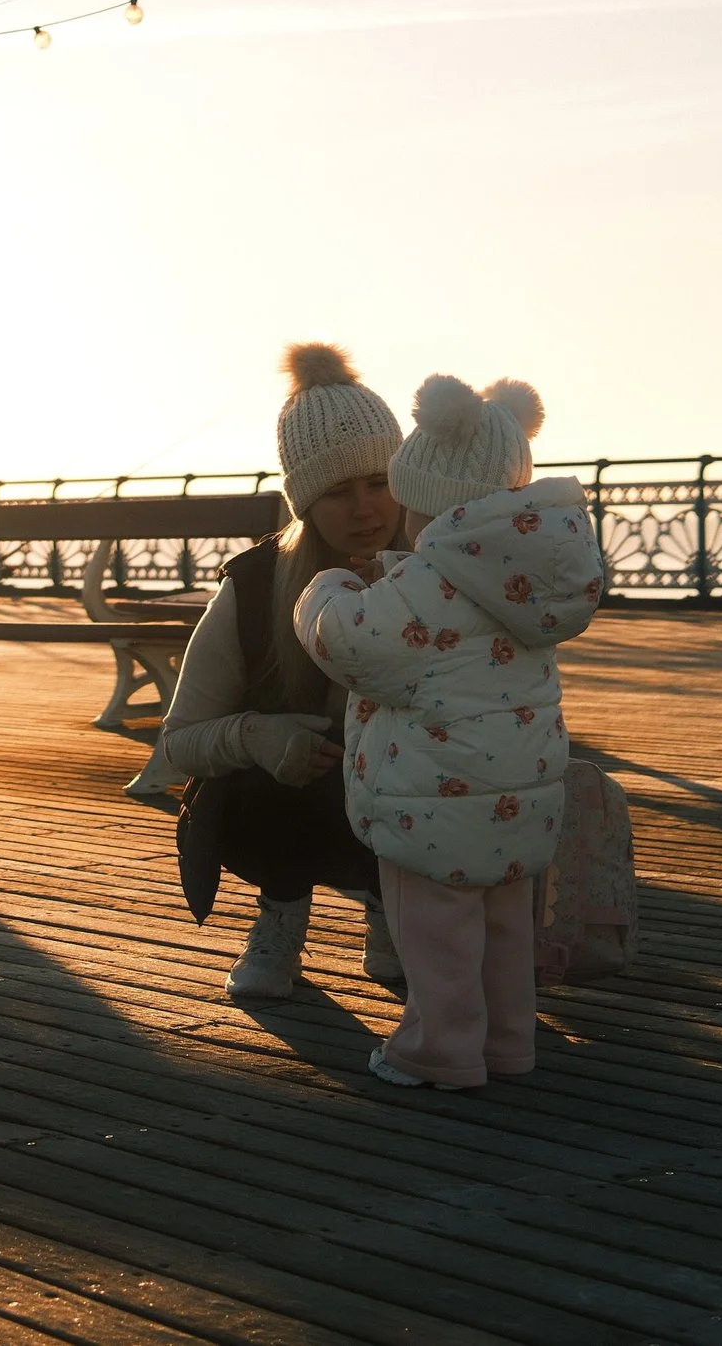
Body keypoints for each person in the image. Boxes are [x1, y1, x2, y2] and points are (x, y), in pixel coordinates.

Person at [293, 372, 606, 1087]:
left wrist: (328, 588)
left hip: (428, 797)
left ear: (426, 502)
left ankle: (439, 1048)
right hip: (520, 794)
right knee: (503, 931)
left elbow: (349, 642)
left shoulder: (424, 584)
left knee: (436, 937)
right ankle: (506, 1043)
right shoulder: (526, 574)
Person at [160, 343, 405, 1001]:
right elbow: (179, 738)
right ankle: (281, 910)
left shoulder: (441, 571)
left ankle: (396, 912)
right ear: (303, 501)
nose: (365, 508)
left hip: (412, 801)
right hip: (289, 805)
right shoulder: (255, 584)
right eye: (338, 490)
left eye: (380, 482)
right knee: (280, 759)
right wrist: (256, 736)